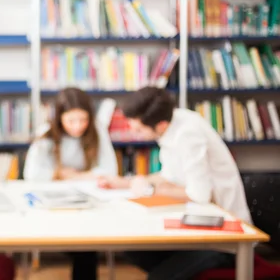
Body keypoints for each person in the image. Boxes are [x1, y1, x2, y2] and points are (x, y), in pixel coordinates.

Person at [98, 86, 252, 280]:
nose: (133, 133)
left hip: (222, 237)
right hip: (195, 223)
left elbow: (200, 195)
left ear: (160, 125)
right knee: (133, 250)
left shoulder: (188, 136)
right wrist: (125, 182)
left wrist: (150, 189)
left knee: (157, 276)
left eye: (138, 129)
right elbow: (168, 176)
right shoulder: (173, 121)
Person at [23, 87, 118, 280]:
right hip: (52, 209)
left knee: (87, 245)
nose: (78, 126)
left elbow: (110, 172)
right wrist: (84, 174)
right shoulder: (46, 134)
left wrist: (68, 175)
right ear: (59, 118)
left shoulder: (97, 130)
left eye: (83, 119)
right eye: (71, 120)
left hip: (89, 206)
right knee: (85, 249)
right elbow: (32, 175)